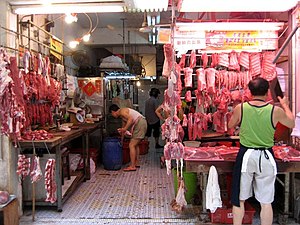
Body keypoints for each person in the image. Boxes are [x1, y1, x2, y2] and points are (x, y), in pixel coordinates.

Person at [228, 77, 295, 225]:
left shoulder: (241, 108)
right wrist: (285, 106)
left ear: (250, 92)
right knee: (266, 202)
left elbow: (230, 126)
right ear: (267, 93)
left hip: (246, 155)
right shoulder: (275, 110)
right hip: (266, 157)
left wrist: (240, 124)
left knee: (239, 199)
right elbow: (291, 122)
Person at [109, 104, 147, 172]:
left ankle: (132, 166)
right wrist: (122, 137)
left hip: (140, 123)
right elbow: (123, 128)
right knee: (135, 144)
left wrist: (125, 129)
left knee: (131, 145)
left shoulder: (122, 111)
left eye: (112, 114)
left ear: (113, 112)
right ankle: (136, 162)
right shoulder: (122, 116)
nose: (113, 116)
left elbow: (131, 119)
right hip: (141, 123)